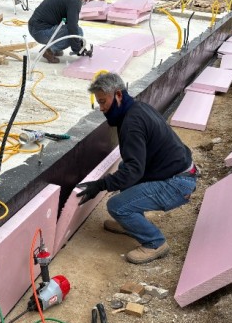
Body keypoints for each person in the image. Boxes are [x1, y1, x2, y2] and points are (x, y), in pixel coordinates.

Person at [76, 72, 198, 264]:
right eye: (98, 103)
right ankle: (130, 223)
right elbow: (133, 166)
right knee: (124, 166)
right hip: (180, 172)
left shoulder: (131, 124)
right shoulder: (137, 108)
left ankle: (155, 243)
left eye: (103, 101)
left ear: (118, 95)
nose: (101, 108)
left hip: (177, 184)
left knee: (116, 206)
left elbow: (134, 171)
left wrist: (100, 185)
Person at [27, 0, 106, 64]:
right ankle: (50, 50)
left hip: (35, 27)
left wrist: (79, 45)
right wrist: (78, 49)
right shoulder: (75, 0)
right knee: (78, 32)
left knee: (74, 33)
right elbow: (72, 27)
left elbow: (68, 22)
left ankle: (54, 48)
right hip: (40, 31)